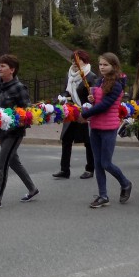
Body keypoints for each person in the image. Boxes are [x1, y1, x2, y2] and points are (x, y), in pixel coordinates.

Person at [0, 54, 39, 208]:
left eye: (3, 66)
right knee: (14, 162)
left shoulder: (19, 88)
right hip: (1, 132)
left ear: (12, 70)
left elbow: (27, 112)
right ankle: (32, 189)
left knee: (2, 164)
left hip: (14, 133)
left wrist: (16, 120)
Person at [80, 53, 131, 208]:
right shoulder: (100, 81)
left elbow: (106, 105)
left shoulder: (116, 84)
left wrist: (85, 114)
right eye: (100, 64)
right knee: (97, 163)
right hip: (95, 126)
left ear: (113, 66)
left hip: (109, 127)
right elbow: (99, 101)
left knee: (106, 163)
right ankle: (103, 196)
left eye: (105, 65)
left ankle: (125, 183)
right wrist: (92, 99)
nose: (102, 67)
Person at [52, 50, 96, 180]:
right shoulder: (69, 74)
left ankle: (90, 169)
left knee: (88, 142)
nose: (75, 63)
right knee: (66, 140)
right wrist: (62, 97)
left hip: (85, 112)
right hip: (71, 111)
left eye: (78, 60)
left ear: (85, 61)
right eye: (73, 60)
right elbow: (66, 91)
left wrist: (88, 107)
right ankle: (64, 170)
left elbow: (94, 95)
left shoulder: (91, 76)